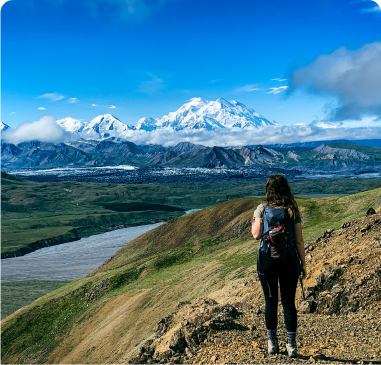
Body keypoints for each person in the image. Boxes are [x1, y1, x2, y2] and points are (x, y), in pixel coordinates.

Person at [251, 174, 306, 358]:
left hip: (267, 260)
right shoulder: (292, 209)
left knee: (270, 301)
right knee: (289, 303)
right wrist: (303, 265)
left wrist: (254, 220)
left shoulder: (262, 208)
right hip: (288, 260)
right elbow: (298, 240)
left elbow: (256, 235)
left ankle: (272, 344)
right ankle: (291, 346)